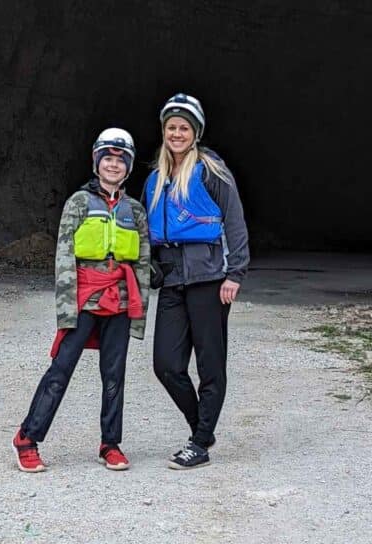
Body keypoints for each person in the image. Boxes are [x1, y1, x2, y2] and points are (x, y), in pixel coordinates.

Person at [12, 128, 150, 472]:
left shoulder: (135, 210)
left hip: (118, 301)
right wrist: (65, 311)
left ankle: (110, 444)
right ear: (96, 162)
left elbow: (143, 262)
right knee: (61, 370)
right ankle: (27, 438)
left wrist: (139, 313)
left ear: (129, 166)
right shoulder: (78, 203)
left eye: (121, 160)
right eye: (108, 158)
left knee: (114, 375)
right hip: (84, 299)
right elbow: (63, 258)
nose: (114, 165)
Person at [143, 93, 249, 470]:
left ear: (195, 132)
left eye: (184, 128)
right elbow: (145, 229)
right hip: (172, 279)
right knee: (166, 364)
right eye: (171, 127)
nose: (176, 133)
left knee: (210, 364)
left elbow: (234, 220)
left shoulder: (210, 170)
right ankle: (201, 427)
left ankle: (200, 442)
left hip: (208, 277)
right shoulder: (156, 178)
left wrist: (235, 273)